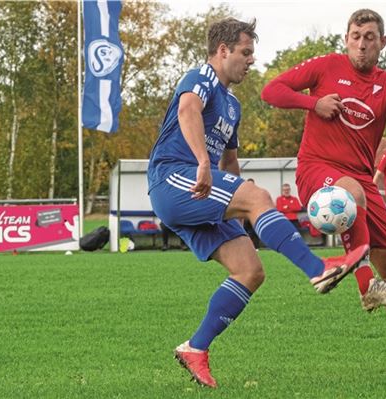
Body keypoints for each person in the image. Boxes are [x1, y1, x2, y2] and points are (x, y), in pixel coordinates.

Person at [147, 18, 370, 388]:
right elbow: (187, 111)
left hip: (200, 187)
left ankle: (195, 349)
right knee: (259, 196)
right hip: (174, 178)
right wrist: (204, 162)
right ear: (223, 51)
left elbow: (229, 164)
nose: (251, 61)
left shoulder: (232, 106)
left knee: (250, 270)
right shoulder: (201, 76)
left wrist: (238, 192)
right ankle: (318, 268)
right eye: (245, 52)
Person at [261, 9, 386, 376]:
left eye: (370, 37)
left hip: (361, 179)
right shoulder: (326, 67)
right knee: (349, 194)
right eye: (356, 35)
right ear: (346, 38)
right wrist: (313, 102)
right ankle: (366, 287)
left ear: (383, 43)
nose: (362, 43)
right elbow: (272, 90)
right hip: (317, 168)